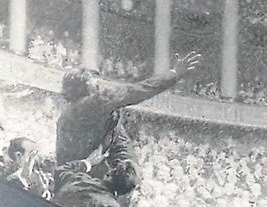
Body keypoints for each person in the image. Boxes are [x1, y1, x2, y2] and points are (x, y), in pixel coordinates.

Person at [55, 52, 200, 165]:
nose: (100, 86)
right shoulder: (93, 103)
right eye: (95, 84)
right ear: (84, 87)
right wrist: (173, 74)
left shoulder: (68, 113)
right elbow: (136, 91)